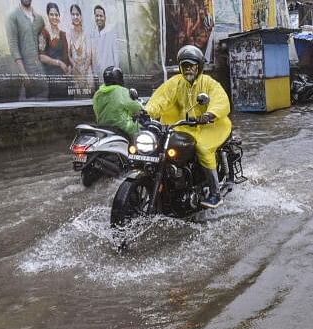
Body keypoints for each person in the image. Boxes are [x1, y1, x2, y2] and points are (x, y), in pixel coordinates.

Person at [145, 45, 231, 209]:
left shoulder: (209, 83)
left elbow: (220, 100)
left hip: (212, 125)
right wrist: (146, 111)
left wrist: (210, 114)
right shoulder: (176, 82)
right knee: (161, 145)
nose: (188, 69)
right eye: (184, 65)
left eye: (191, 65)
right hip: (185, 125)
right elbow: (161, 99)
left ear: (198, 66)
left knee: (203, 149)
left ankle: (215, 194)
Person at [6, 0, 46, 99]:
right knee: (28, 108)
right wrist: (23, 73)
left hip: (41, 72)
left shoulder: (39, 19)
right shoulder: (13, 17)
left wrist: (42, 41)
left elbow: (43, 39)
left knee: (45, 104)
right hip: (26, 72)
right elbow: (13, 45)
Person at [92, 66, 141, 137]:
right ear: (119, 78)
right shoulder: (121, 91)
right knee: (142, 129)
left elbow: (96, 111)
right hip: (122, 128)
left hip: (103, 128)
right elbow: (136, 107)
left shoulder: (98, 93)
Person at [38, 2, 70, 99]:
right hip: (53, 77)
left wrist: (69, 67)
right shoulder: (44, 33)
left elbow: (66, 54)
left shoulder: (63, 34)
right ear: (48, 15)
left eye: (56, 14)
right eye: (51, 14)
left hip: (66, 77)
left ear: (59, 16)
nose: (54, 17)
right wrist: (59, 63)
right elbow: (41, 57)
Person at [69, 4, 94, 96]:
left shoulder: (86, 33)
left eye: (77, 14)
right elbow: (68, 55)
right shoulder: (69, 33)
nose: (75, 17)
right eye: (73, 14)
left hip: (86, 70)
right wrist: (75, 66)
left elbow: (89, 55)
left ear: (81, 16)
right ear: (71, 16)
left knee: (90, 95)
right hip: (75, 69)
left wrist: (84, 71)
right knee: (78, 96)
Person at [92, 5, 118, 84]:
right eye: (97, 16)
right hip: (99, 76)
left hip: (110, 75)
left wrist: (115, 73)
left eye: (101, 16)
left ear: (105, 17)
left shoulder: (111, 33)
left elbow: (116, 55)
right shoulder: (93, 34)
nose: (99, 18)